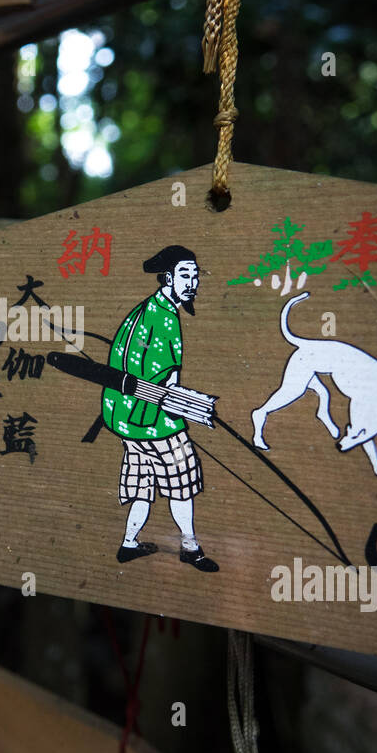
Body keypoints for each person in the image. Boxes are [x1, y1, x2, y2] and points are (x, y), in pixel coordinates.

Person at [101, 245, 218, 572]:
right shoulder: (163, 317)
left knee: (143, 481)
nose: (192, 282)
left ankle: (128, 543)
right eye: (184, 275)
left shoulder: (147, 308)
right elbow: (166, 382)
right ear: (167, 278)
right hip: (149, 418)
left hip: (124, 419)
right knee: (183, 478)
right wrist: (195, 408)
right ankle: (190, 547)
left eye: (195, 275)